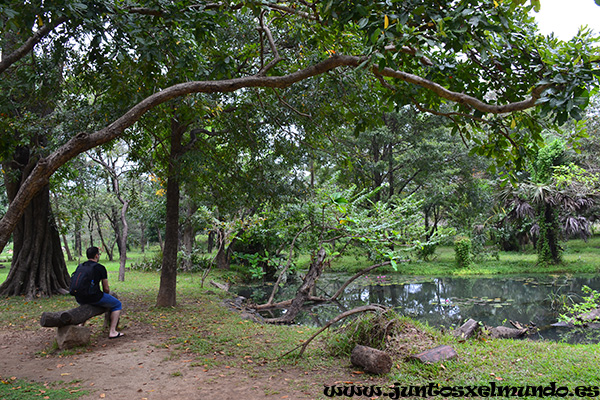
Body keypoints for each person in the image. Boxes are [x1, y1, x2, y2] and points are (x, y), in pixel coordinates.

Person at [74, 246, 124, 339]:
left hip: (79, 297)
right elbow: (106, 288)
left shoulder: (81, 266)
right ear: (96, 256)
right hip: (94, 297)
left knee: (85, 306)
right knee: (117, 304)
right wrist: (107, 295)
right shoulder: (100, 267)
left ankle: (80, 326)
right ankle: (112, 331)